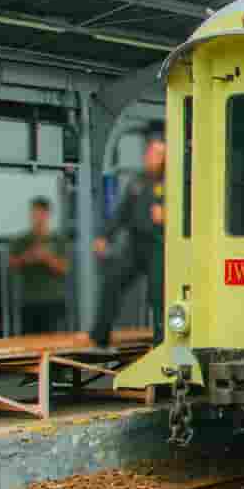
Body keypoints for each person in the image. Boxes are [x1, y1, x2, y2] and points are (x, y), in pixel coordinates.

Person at [91, 123, 166, 347]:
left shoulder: (175, 183)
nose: (150, 157)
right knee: (113, 280)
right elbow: (121, 213)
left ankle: (163, 340)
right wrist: (105, 236)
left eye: (157, 153)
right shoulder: (138, 181)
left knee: (158, 294)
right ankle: (100, 335)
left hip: (160, 246)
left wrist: (170, 216)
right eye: (150, 152)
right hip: (135, 244)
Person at [9, 197, 70, 334]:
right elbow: (12, 265)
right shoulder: (22, 240)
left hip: (54, 301)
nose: (37, 218)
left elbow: (64, 268)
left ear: (48, 214)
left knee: (55, 342)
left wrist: (46, 257)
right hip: (30, 301)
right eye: (34, 213)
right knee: (29, 343)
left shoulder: (58, 240)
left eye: (40, 213)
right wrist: (28, 257)